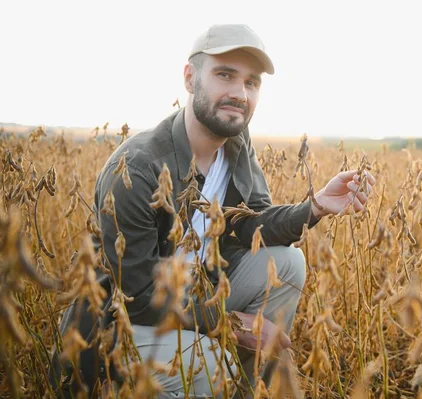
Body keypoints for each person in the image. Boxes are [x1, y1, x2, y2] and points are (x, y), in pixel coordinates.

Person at [53, 24, 375, 398]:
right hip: (123, 324)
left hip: (196, 296)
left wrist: (316, 206)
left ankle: (251, 387)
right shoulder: (137, 170)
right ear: (190, 79)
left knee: (289, 265)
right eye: (225, 75)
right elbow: (137, 298)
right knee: (211, 365)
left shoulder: (235, 140)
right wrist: (233, 323)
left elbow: (252, 223)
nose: (239, 94)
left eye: (251, 82)